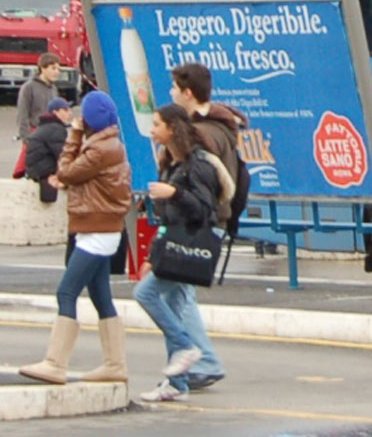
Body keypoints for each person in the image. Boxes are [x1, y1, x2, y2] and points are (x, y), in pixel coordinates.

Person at [19, 91, 132, 385]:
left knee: (66, 292)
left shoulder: (98, 150)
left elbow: (66, 170)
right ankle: (114, 363)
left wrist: (74, 135)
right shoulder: (108, 145)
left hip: (96, 231)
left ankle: (55, 363)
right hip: (101, 230)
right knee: (100, 296)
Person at [167, 62, 247, 391]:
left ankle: (204, 360)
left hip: (199, 219)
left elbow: (201, 183)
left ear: (187, 93)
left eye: (174, 88)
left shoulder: (201, 134)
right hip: (211, 218)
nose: (171, 93)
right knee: (178, 293)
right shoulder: (221, 127)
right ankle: (195, 360)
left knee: (179, 294)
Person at [135, 104, 222, 403]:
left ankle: (186, 347)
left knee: (144, 294)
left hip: (187, 246)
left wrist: (174, 193)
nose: (152, 130)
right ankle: (177, 383)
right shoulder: (170, 163)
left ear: (172, 129)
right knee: (172, 307)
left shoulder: (197, 164)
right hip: (172, 243)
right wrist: (151, 255)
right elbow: (166, 219)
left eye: (157, 124)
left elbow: (204, 208)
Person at [24, 97, 72, 203]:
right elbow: (63, 156)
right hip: (44, 175)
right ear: (55, 112)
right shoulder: (55, 129)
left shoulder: (46, 126)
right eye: (65, 110)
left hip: (35, 172)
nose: (69, 113)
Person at [16, 53, 61, 144]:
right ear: (42, 68)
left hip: (50, 135)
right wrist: (27, 139)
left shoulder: (53, 89)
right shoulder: (29, 87)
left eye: (58, 69)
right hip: (34, 134)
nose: (57, 72)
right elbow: (22, 116)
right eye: (53, 68)